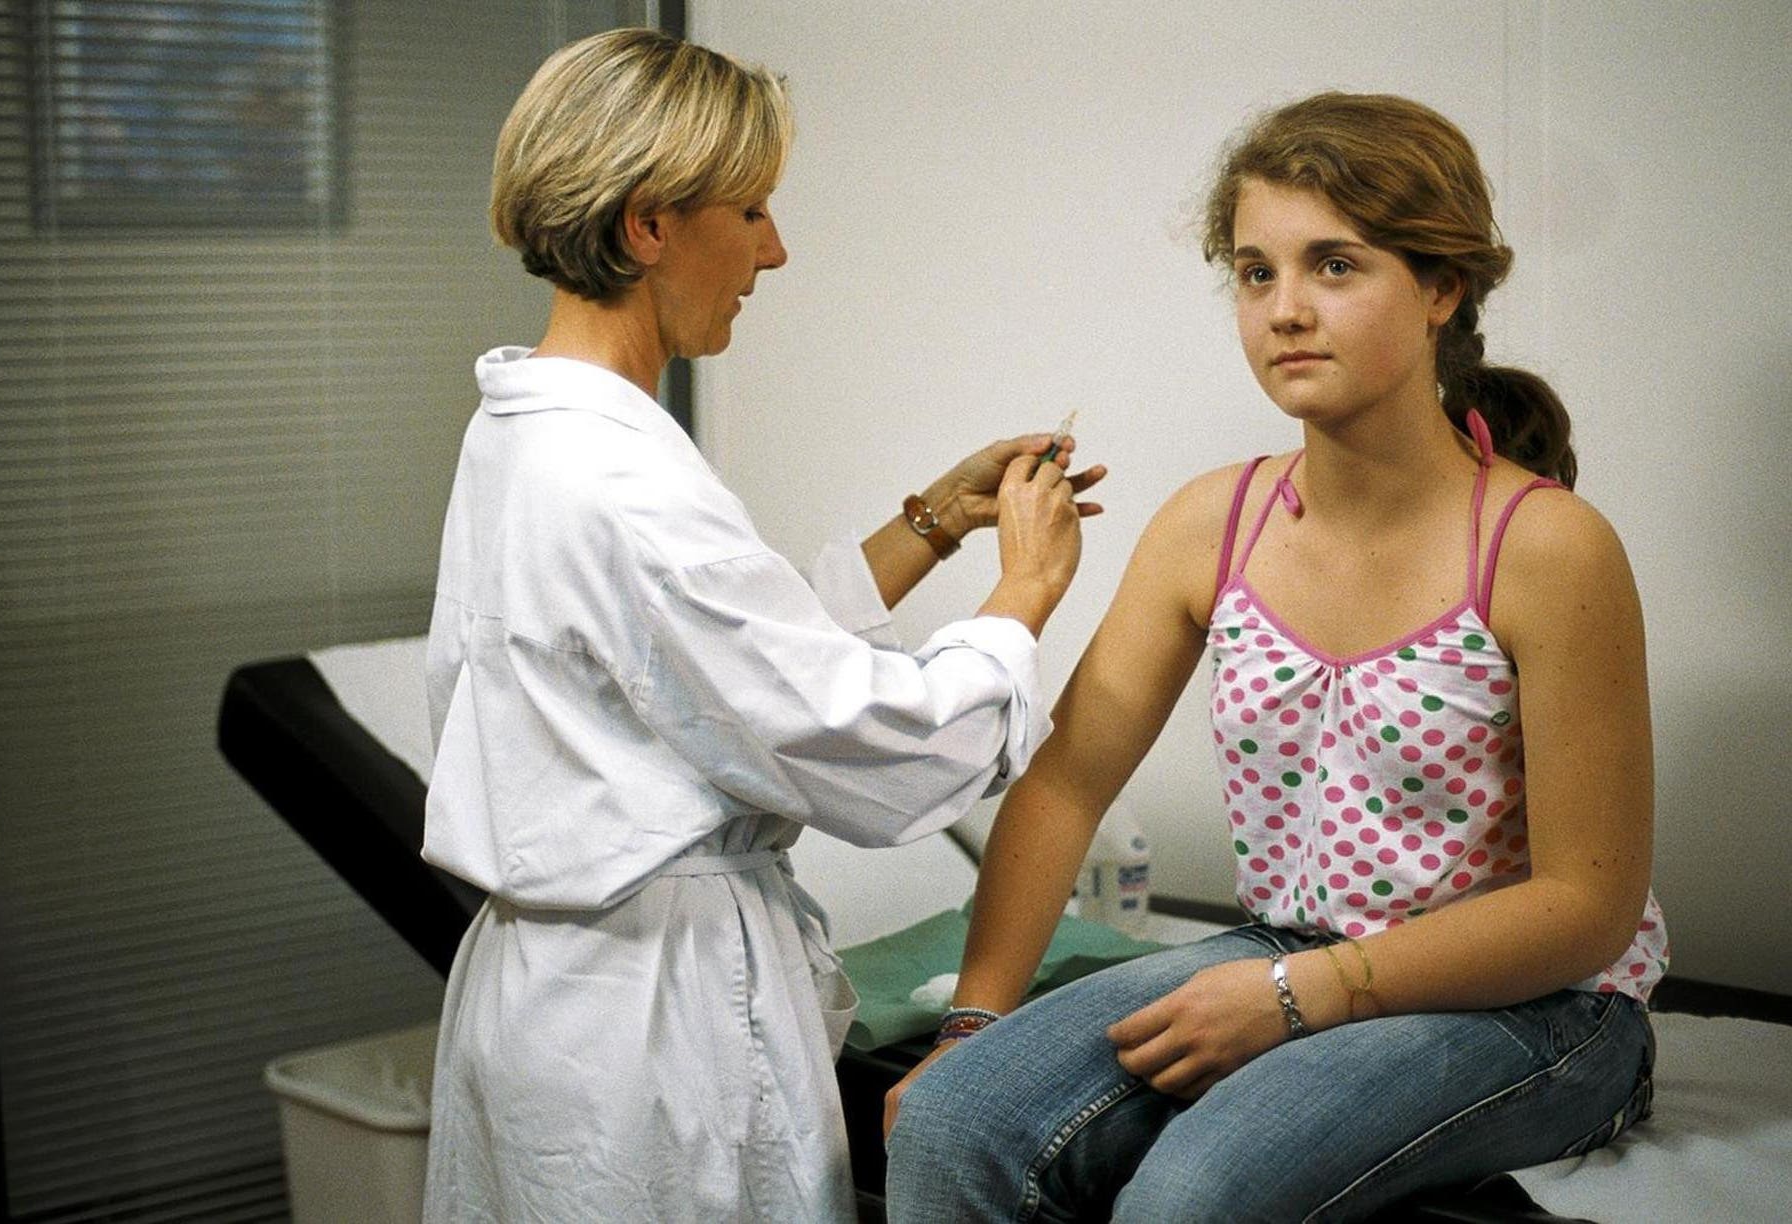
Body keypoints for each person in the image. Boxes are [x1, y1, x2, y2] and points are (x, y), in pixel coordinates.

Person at [883, 91, 1668, 1222]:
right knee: (959, 1124)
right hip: (1286, 949)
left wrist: (1297, 996)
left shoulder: (1546, 546)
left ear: (1443, 288)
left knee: (1195, 1194)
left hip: (1543, 1004)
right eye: (1256, 273)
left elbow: (1589, 907)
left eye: (1335, 266)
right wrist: (973, 1021)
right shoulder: (1217, 525)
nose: (1285, 310)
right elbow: (1065, 785)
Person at [417, 28, 1105, 1224]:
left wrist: (937, 519)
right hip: (647, 1030)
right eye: (754, 212)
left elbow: (703, 653)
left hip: (550, 1005)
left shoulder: (529, 429)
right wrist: (1023, 599)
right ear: (650, 226)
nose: (774, 251)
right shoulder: (620, 478)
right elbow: (863, 743)